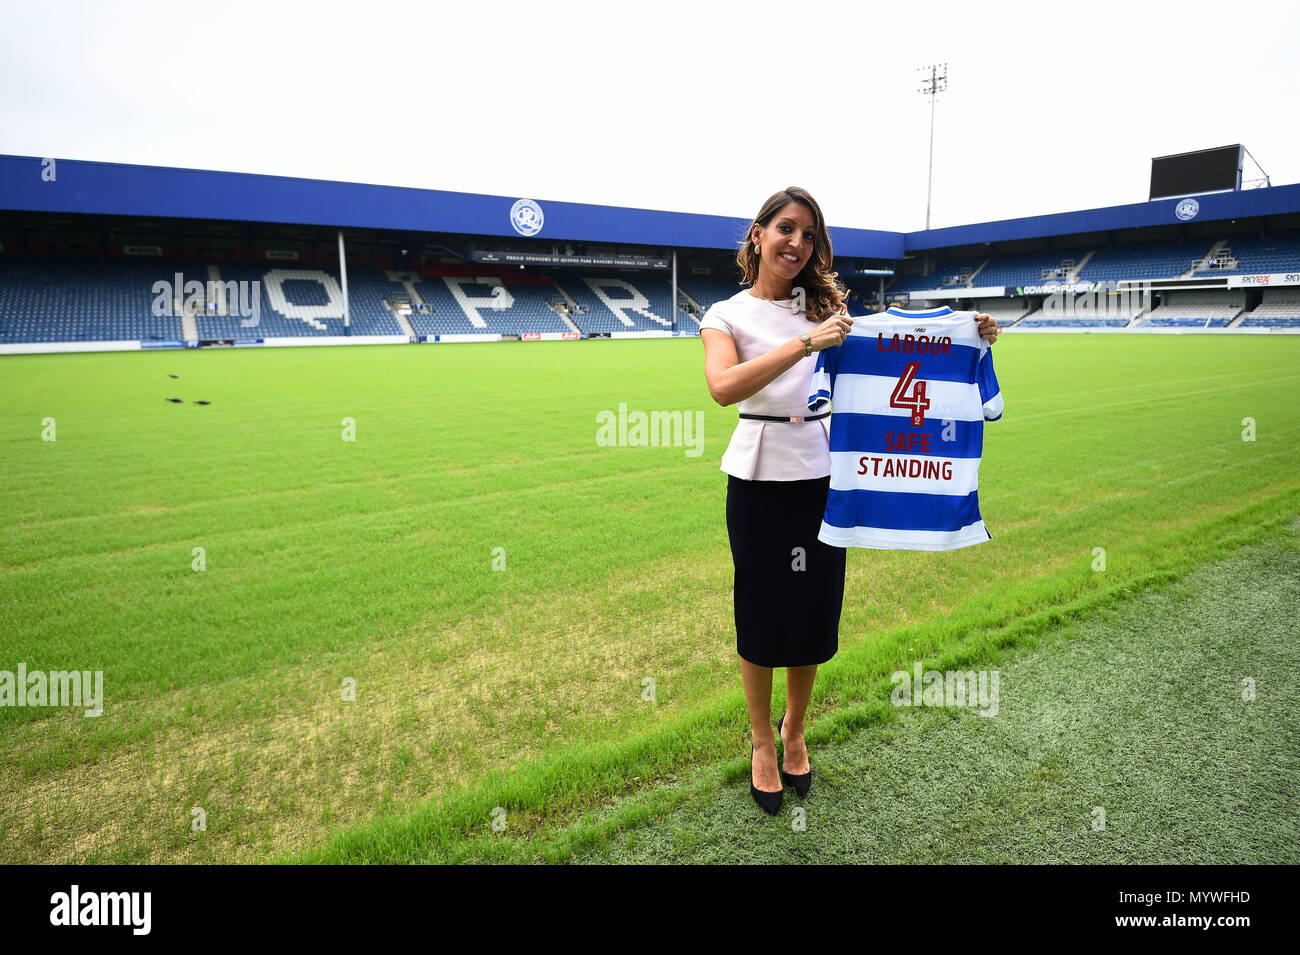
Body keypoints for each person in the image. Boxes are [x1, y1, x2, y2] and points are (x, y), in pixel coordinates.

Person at [699, 186, 998, 815]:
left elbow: (904, 352)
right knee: (758, 608)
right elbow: (724, 388)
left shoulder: (831, 311)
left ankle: (795, 731)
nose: (797, 243)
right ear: (758, 234)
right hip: (756, 477)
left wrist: (969, 333)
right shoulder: (725, 314)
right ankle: (759, 741)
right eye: (786, 228)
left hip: (823, 474)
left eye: (809, 235)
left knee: (811, 609)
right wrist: (808, 345)